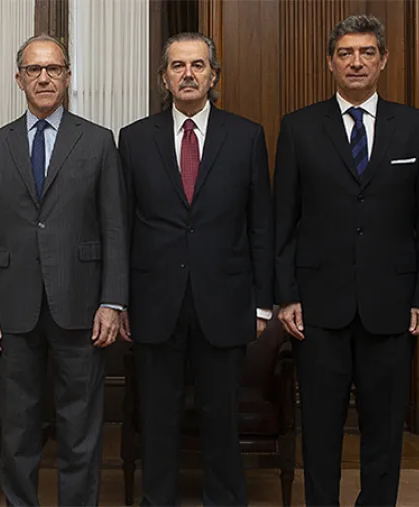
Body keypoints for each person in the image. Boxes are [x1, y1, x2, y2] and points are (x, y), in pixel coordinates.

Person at [274, 14, 419, 506]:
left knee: (385, 430)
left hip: (392, 306)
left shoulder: (415, 127)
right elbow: (283, 220)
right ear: (330, 62)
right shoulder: (299, 127)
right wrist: (286, 295)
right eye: (345, 53)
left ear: (383, 61)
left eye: (367, 52)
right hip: (317, 308)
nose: (356, 62)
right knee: (320, 430)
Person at [0, 34, 128, 506]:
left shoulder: (98, 141)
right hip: (12, 306)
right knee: (17, 427)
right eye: (34, 70)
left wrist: (112, 300)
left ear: (68, 77)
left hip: (81, 304)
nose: (44, 78)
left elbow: (114, 227)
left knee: (80, 428)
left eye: (53, 69)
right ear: (18, 79)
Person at [118, 32, 274, 506]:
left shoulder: (246, 136)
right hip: (154, 303)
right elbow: (122, 227)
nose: (188, 74)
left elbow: (260, 225)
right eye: (178, 66)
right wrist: (119, 301)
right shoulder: (134, 139)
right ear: (164, 78)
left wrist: (262, 304)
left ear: (213, 76)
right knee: (157, 420)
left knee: (220, 418)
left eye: (198, 65)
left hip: (225, 302)